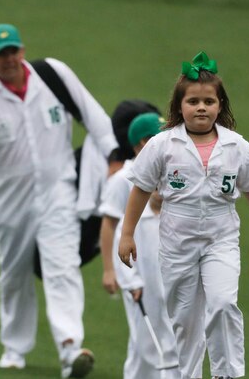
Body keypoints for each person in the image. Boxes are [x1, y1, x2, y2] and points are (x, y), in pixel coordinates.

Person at [0, 23, 116, 378]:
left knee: (63, 267)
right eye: (2, 54)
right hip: (8, 202)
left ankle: (70, 348)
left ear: (22, 50)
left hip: (59, 193)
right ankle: (14, 348)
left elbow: (96, 119)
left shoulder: (53, 76)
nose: (9, 59)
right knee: (14, 274)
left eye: (14, 51)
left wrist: (115, 164)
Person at [118, 52, 249, 379]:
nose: (201, 107)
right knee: (186, 319)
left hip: (221, 240)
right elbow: (140, 188)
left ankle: (227, 374)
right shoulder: (163, 145)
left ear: (220, 105)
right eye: (193, 101)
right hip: (177, 245)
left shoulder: (237, 146)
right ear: (180, 107)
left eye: (209, 101)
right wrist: (127, 233)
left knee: (222, 304)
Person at [100, 112, 179, 379]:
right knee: (144, 337)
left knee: (173, 331)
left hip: (165, 260)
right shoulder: (124, 178)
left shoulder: (172, 168)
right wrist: (112, 271)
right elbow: (111, 225)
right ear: (139, 143)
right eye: (152, 139)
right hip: (134, 264)